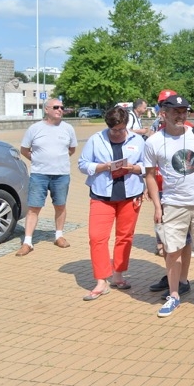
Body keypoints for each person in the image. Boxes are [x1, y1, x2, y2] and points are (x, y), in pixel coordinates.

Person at [145, 94, 194, 318]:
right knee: (172, 251)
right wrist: (158, 206)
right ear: (164, 114)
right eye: (175, 111)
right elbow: (150, 175)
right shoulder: (153, 142)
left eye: (184, 111)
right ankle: (174, 295)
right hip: (173, 204)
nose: (181, 115)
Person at [77, 107, 147, 299]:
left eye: (120, 129)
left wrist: (133, 168)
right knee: (97, 237)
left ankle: (118, 274)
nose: (116, 133)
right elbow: (82, 164)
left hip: (130, 194)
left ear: (126, 125)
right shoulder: (95, 139)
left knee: (124, 236)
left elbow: (147, 165)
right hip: (101, 194)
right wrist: (102, 167)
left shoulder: (137, 140)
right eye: (113, 129)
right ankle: (101, 280)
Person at [16, 98, 79, 256]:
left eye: (62, 107)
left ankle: (59, 236)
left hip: (61, 174)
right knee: (34, 207)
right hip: (39, 174)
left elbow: (72, 149)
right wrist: (38, 160)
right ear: (46, 109)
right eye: (56, 107)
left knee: (60, 205)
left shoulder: (68, 128)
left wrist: (58, 160)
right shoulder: (34, 128)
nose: (60, 110)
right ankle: (28, 242)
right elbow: (24, 150)